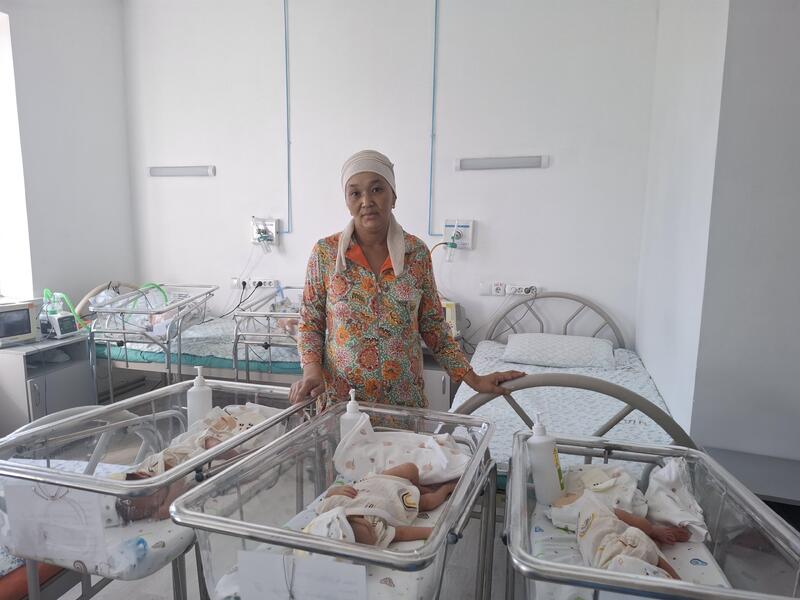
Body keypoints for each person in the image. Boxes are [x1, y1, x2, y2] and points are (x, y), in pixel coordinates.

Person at [289, 149, 523, 408]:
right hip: (342, 403)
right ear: (347, 201)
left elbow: (433, 326)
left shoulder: (416, 254)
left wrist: (473, 379)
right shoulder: (326, 254)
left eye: (377, 189)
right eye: (355, 193)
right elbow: (310, 322)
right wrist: (311, 371)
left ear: (393, 196)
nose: (366, 201)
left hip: (402, 403)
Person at [307, 462, 456, 546]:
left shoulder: (332, 509)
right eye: (372, 534)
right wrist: (435, 532)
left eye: (367, 528)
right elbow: (402, 533)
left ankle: (418, 488)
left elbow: (324, 498)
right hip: (399, 500)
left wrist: (335, 490)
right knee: (430, 501)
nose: (373, 530)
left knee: (410, 468)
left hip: (379, 483)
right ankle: (446, 488)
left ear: (350, 518)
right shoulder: (374, 534)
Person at [555, 490, 689, 579]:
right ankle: (680, 586)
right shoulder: (596, 505)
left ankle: (656, 542)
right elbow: (632, 520)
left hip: (602, 567)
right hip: (616, 555)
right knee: (641, 540)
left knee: (643, 552)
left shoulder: (579, 523)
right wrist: (653, 529)